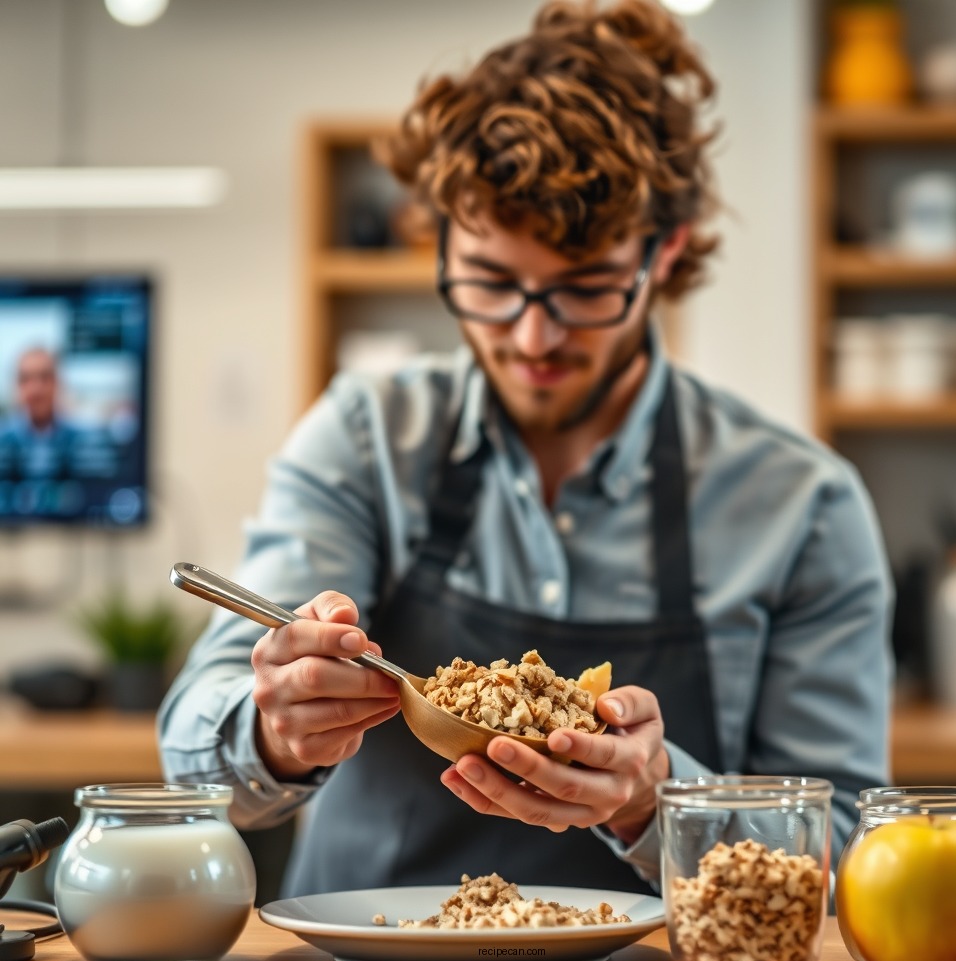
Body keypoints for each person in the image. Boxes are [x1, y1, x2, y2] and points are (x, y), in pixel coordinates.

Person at [159, 0, 893, 899]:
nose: (533, 337)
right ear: (441, 247)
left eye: (583, 289)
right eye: (491, 283)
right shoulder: (365, 438)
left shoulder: (801, 503)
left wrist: (655, 800)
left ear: (665, 255)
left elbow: (848, 850)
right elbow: (189, 762)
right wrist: (272, 729)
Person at [0, 346, 83, 482]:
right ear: (17, 386)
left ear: (58, 382)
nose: (36, 389)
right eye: (26, 379)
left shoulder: (81, 442)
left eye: (44, 377)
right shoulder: (3, 442)